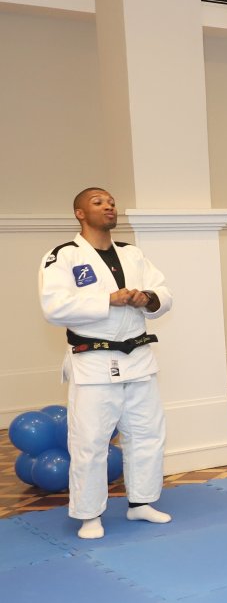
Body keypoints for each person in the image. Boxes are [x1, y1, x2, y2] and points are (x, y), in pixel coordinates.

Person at [38, 187, 174, 540]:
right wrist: (107, 299)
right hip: (94, 360)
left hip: (139, 358)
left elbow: (164, 294)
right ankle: (89, 515)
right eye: (98, 202)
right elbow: (54, 307)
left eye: (111, 202)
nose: (109, 206)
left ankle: (141, 502)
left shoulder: (132, 253)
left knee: (147, 434)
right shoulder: (63, 256)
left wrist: (147, 298)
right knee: (90, 442)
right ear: (80, 213)